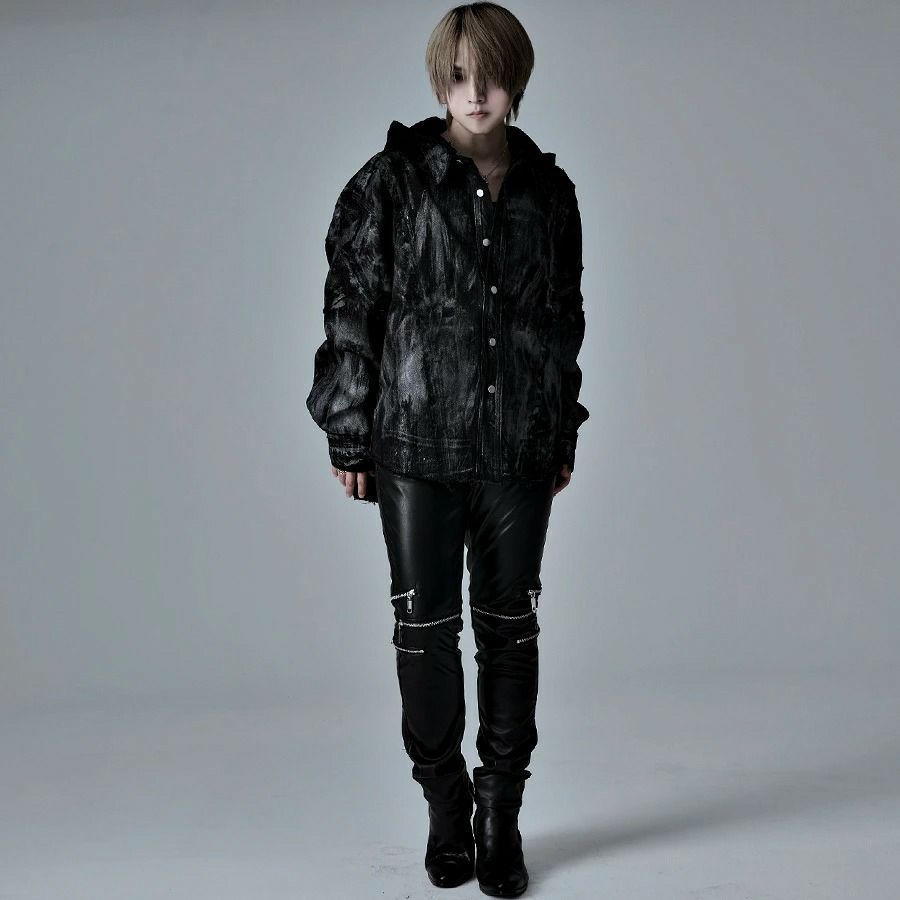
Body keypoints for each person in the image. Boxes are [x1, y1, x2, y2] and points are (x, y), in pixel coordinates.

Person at [306, 3, 589, 895]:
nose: (476, 93)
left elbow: (562, 320)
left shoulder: (550, 193)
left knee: (511, 632)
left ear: (516, 81)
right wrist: (349, 429)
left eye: (491, 75)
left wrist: (560, 425)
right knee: (424, 633)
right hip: (416, 449)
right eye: (460, 75)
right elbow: (352, 307)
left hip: (518, 450)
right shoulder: (390, 182)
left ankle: (500, 813)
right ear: (440, 81)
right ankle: (444, 806)